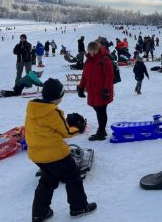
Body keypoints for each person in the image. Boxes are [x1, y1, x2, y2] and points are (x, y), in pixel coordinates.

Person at [25, 78, 96, 221]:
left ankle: (40, 213)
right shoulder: (53, 111)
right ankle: (79, 207)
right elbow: (66, 133)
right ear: (58, 96)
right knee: (73, 177)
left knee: (47, 181)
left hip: (37, 155)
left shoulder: (33, 108)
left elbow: (48, 128)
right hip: (55, 155)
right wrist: (79, 127)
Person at [77, 41, 114, 141]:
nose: (92, 52)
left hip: (102, 90)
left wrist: (106, 90)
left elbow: (109, 76)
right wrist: (81, 87)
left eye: (94, 50)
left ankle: (101, 132)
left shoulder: (104, 59)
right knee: (98, 109)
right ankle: (102, 130)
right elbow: (84, 75)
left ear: (98, 49)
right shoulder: (88, 61)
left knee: (101, 111)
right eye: (90, 50)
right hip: (92, 91)